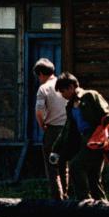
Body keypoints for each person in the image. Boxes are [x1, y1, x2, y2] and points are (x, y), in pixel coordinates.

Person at [53, 72, 109, 201]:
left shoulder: (90, 96)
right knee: (93, 178)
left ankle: (84, 201)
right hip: (84, 141)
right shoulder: (70, 106)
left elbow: (108, 117)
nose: (63, 95)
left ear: (71, 87)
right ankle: (101, 207)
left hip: (97, 139)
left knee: (76, 166)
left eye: (63, 91)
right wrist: (56, 148)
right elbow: (68, 129)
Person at [33, 58, 67, 200]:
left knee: (52, 166)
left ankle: (57, 198)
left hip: (52, 130)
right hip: (68, 129)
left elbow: (39, 111)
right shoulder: (65, 84)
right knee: (65, 165)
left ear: (41, 74)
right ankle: (67, 196)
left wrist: (42, 125)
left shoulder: (44, 88)